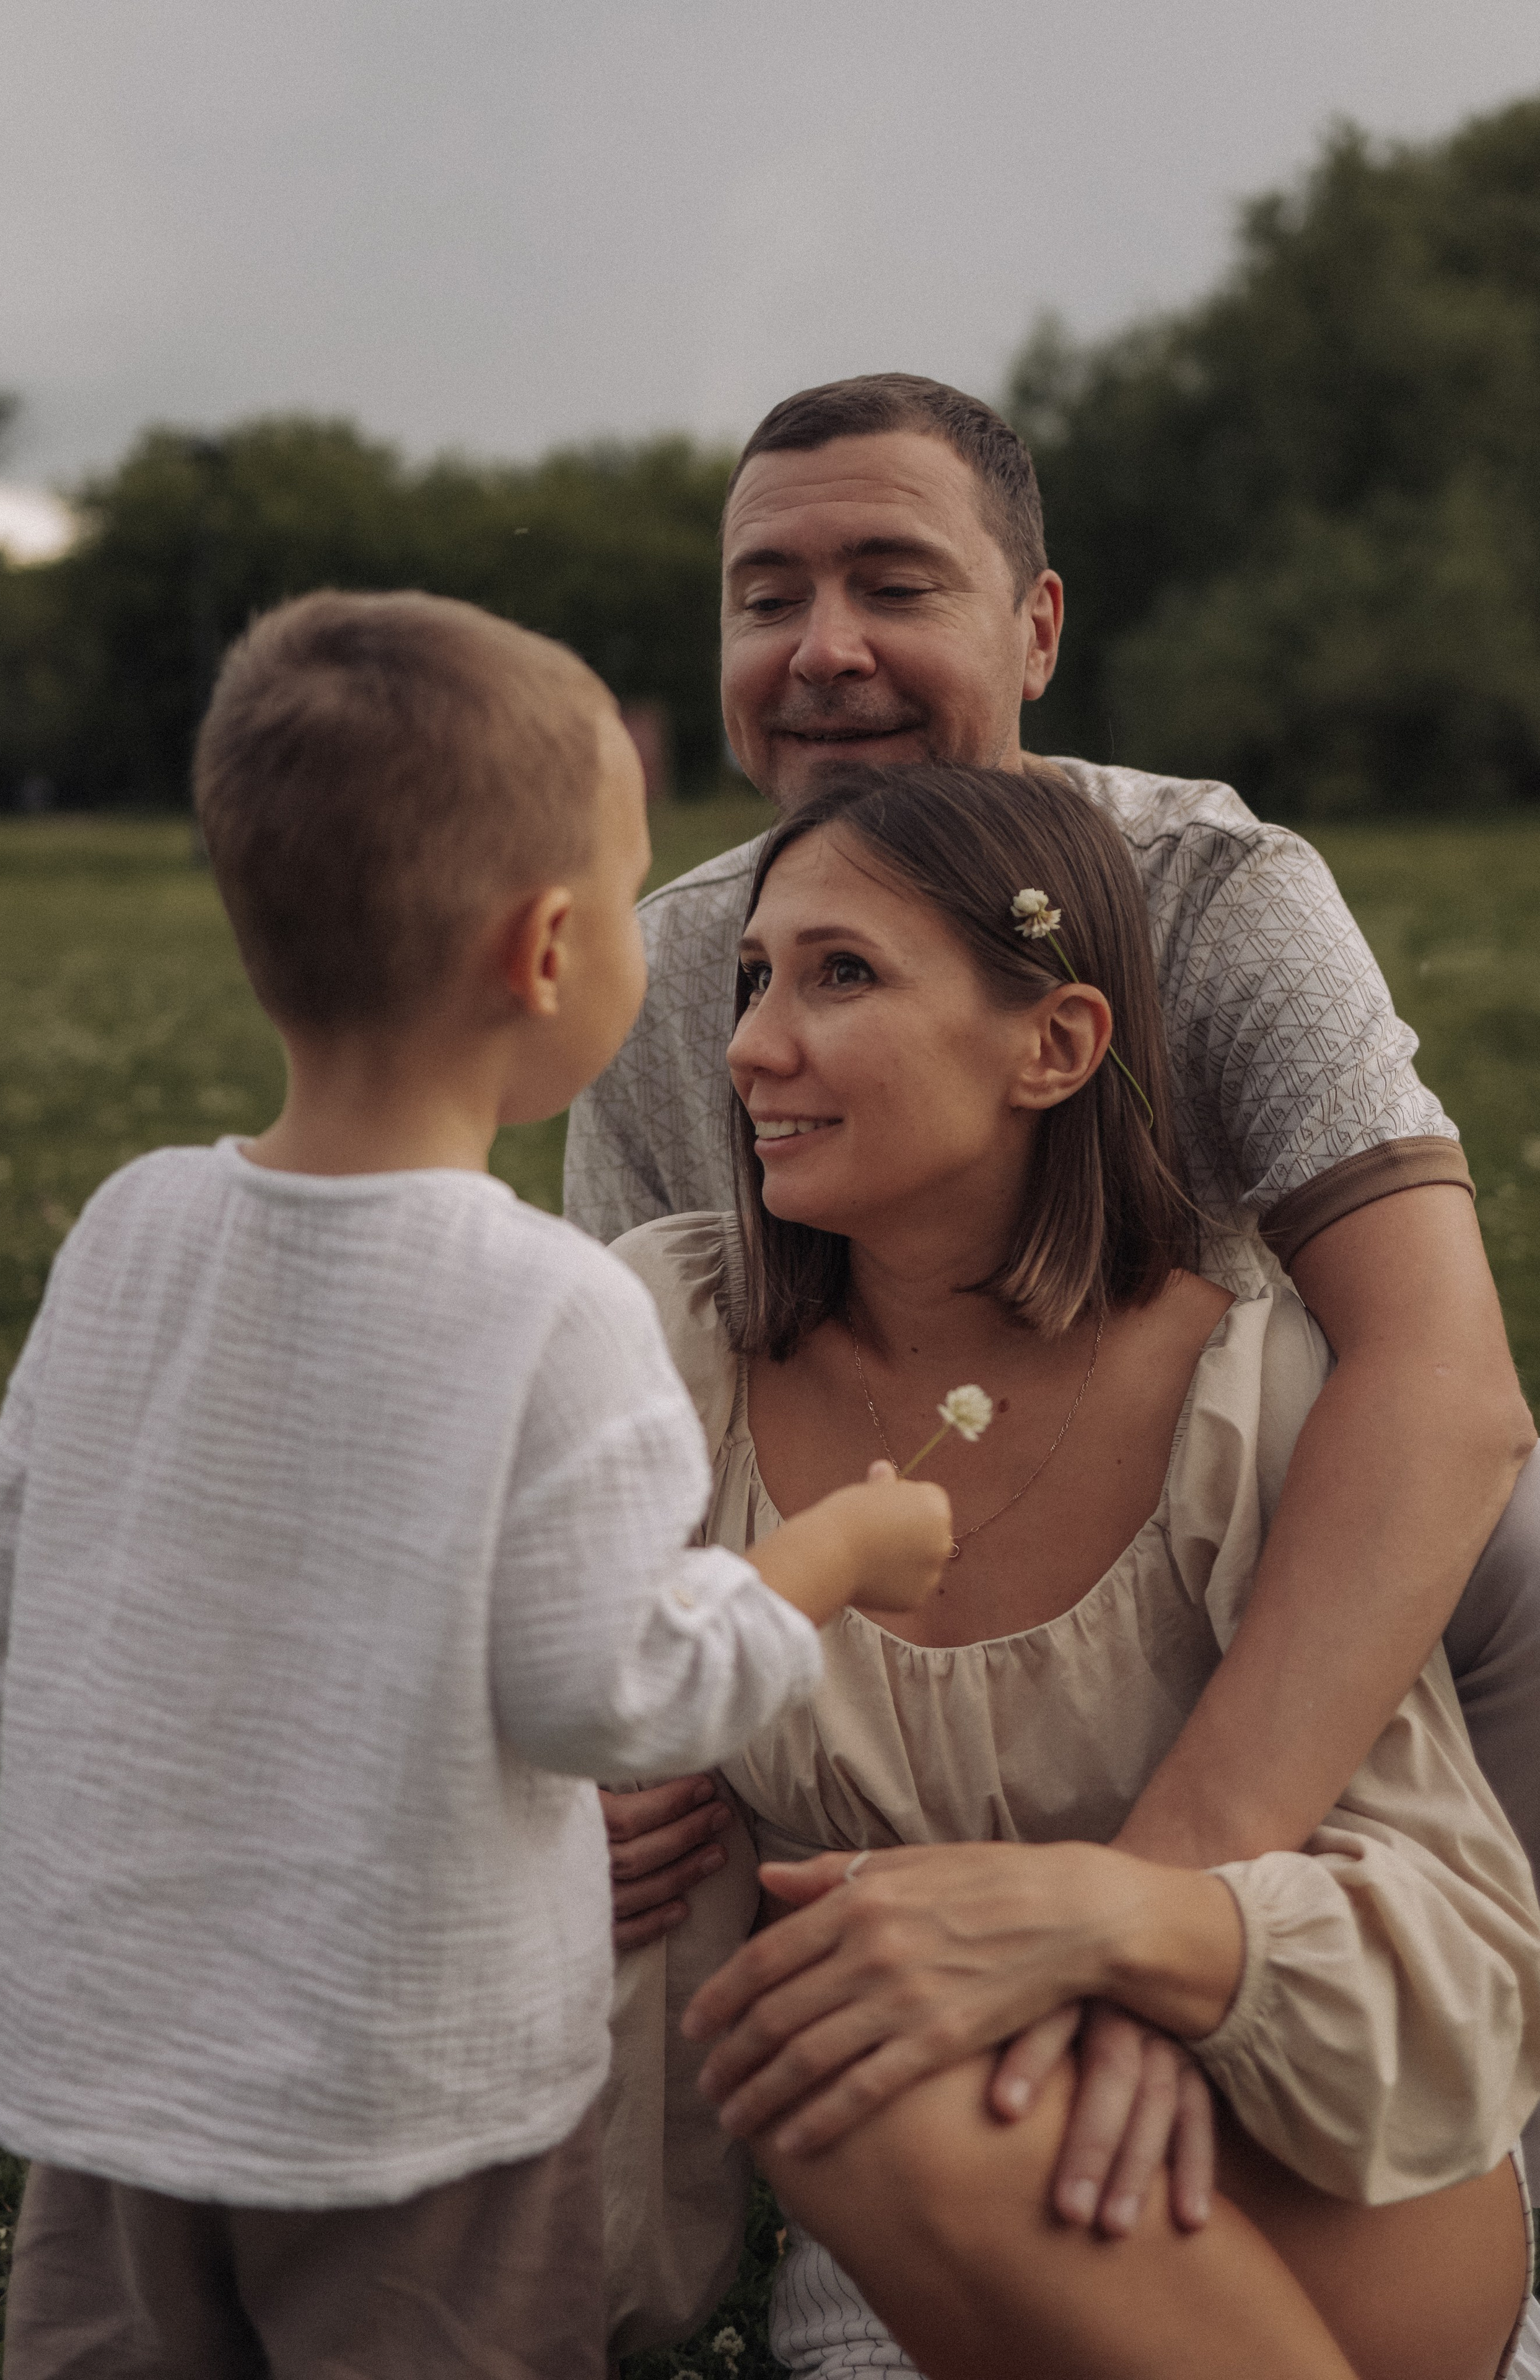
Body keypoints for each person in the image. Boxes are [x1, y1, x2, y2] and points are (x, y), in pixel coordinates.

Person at [571, 372, 1540, 2277]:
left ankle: (1467, 2106)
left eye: (893, 584)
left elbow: (1442, 1378)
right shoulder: (677, 965)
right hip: (889, 1639)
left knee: (1513, 1533)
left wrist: (1149, 1912)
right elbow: (622, 1472)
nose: (823, 648)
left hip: (1240, 1587)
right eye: (768, 597)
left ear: (1037, 627)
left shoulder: (1208, 892)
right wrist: (582, 1782)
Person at [0, 592, 954, 2380]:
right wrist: (820, 1557)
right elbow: (611, 1688)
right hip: (412, 2097)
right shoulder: (552, 1306)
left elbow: (7, 1639)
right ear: (549, 948)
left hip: (108, 2073)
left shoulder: (127, 1231)